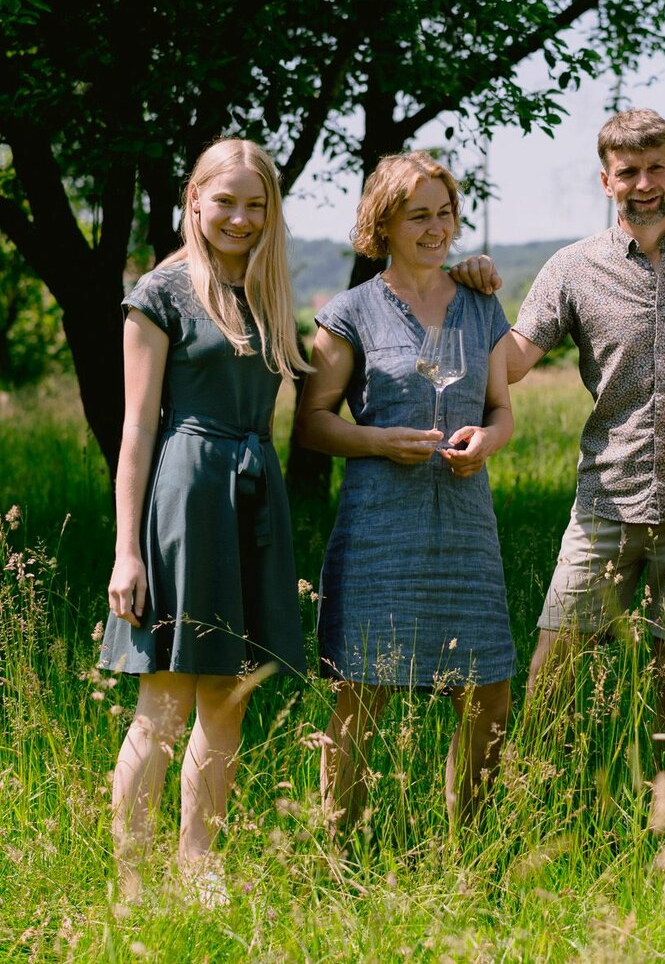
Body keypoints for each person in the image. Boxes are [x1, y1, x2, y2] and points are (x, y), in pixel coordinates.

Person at [452, 109, 665, 749]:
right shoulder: (572, 268)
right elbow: (511, 362)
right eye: (627, 173)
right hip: (606, 505)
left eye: (653, 169)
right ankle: (531, 801)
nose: (642, 184)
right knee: (554, 676)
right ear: (605, 180)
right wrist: (466, 297)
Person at [100, 137, 308, 903]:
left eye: (257, 205)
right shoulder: (159, 292)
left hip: (255, 494)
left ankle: (199, 870)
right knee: (165, 699)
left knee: (230, 693)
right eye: (226, 201)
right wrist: (128, 551)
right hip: (187, 493)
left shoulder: (269, 291)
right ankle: (132, 882)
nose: (241, 218)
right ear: (194, 199)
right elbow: (136, 430)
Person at [296, 151, 515, 835]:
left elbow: (503, 408)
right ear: (382, 223)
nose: (436, 228)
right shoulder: (349, 312)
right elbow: (311, 423)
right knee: (364, 690)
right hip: (380, 527)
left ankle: (468, 853)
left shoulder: (481, 302)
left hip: (464, 523)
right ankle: (339, 854)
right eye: (418, 215)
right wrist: (379, 440)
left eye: (445, 213)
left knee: (489, 694)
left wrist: (488, 442)